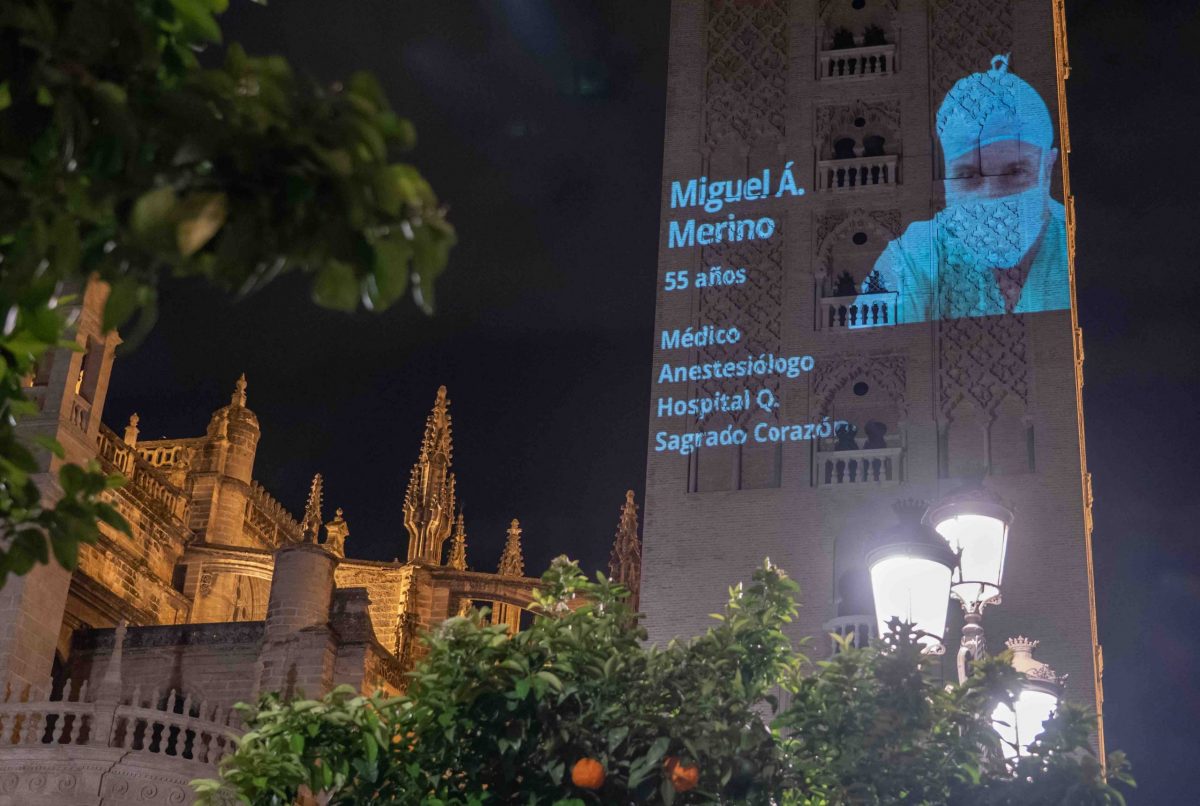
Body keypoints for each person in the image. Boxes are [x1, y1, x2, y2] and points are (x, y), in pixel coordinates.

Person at [869, 55, 1070, 322]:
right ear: (946, 180)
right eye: (968, 175)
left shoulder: (1076, 247)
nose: (991, 194)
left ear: (1048, 168)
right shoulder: (912, 258)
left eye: (1015, 172)